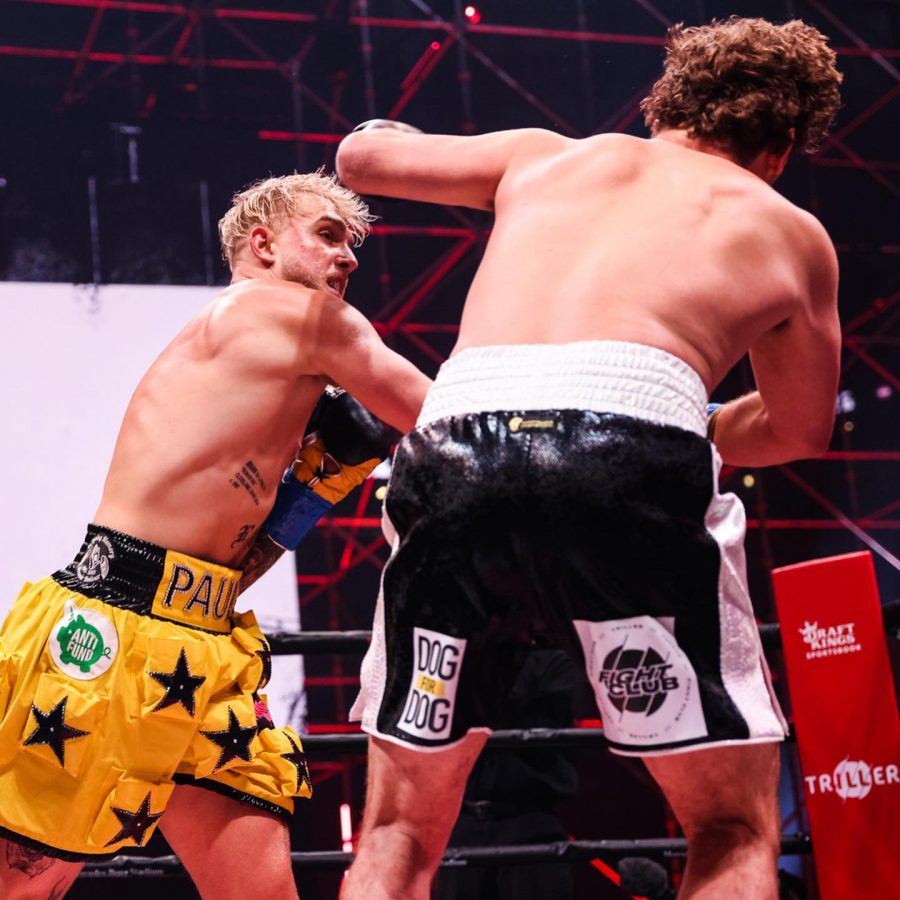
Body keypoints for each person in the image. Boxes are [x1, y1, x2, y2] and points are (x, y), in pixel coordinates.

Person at [336, 16, 842, 900]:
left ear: (666, 104)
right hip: (634, 450)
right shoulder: (791, 231)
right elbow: (799, 430)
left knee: (400, 830)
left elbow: (360, 162)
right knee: (729, 828)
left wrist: (390, 136)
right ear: (781, 143)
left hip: (459, 447)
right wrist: (693, 419)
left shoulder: (544, 156)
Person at [0, 171, 431, 898]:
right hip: (107, 635)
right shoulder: (301, 317)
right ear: (261, 244)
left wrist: (304, 498)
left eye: (352, 242)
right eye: (327, 235)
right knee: (27, 885)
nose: (348, 257)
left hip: (204, 640)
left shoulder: (271, 351)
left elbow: (218, 562)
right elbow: (447, 415)